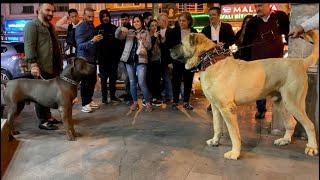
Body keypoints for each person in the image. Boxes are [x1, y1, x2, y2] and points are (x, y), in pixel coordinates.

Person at [242, 3, 289, 119]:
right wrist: (245, 63)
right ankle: (261, 109)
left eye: (260, 5)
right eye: (256, 7)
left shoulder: (279, 17)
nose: (258, 9)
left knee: (278, 87)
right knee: (260, 87)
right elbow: (246, 43)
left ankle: (281, 112)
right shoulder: (252, 22)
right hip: (258, 62)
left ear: (268, 5)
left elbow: (288, 33)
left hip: (276, 62)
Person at [24, 3, 63, 130]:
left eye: (52, 11)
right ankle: (43, 121)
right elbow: (29, 46)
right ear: (38, 10)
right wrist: (33, 64)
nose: (51, 13)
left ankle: (49, 117)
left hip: (53, 66)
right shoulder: (32, 25)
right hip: (41, 67)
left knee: (48, 94)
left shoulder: (50, 26)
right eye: (47, 10)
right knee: (40, 95)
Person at [201, 6, 236, 112]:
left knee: (225, 80)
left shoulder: (227, 27)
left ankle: (227, 101)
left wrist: (224, 43)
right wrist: (215, 44)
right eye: (210, 15)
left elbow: (232, 40)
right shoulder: (205, 29)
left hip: (224, 57)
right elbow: (203, 44)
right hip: (211, 59)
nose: (211, 17)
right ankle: (213, 103)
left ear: (219, 15)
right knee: (213, 81)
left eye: (213, 15)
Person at [115, 15, 153, 112]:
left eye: (138, 21)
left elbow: (149, 47)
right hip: (129, 61)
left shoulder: (146, 32)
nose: (136, 23)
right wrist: (120, 28)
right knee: (132, 82)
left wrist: (141, 39)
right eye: (134, 22)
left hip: (141, 60)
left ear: (142, 22)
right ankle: (135, 102)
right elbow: (118, 36)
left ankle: (148, 102)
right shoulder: (129, 32)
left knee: (141, 82)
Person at [166, 12, 198, 110]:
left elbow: (196, 46)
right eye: (180, 21)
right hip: (177, 60)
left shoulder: (193, 31)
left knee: (188, 82)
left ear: (189, 21)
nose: (181, 22)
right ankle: (175, 101)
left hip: (189, 61)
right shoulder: (173, 31)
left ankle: (186, 102)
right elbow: (168, 46)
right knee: (176, 81)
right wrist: (170, 62)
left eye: (183, 21)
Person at [75, 7, 103, 113]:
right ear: (84, 16)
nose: (91, 18)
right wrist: (92, 41)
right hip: (84, 59)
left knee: (92, 81)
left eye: (92, 16)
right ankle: (84, 104)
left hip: (91, 59)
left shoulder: (91, 26)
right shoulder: (81, 27)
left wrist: (97, 40)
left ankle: (89, 100)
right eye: (89, 16)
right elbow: (80, 46)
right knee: (86, 83)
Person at [96, 9, 121, 104]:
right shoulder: (97, 29)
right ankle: (104, 98)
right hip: (102, 60)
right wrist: (98, 58)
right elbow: (96, 45)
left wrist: (117, 58)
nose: (105, 18)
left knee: (113, 79)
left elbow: (118, 44)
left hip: (113, 59)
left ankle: (113, 96)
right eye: (103, 16)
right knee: (103, 79)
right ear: (101, 18)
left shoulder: (115, 28)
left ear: (109, 17)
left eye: (107, 16)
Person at [118, 13, 133, 104]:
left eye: (126, 19)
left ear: (129, 19)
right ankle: (128, 93)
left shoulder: (132, 29)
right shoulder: (119, 30)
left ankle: (130, 95)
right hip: (122, 57)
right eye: (122, 19)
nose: (124, 21)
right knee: (125, 77)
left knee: (129, 77)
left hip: (130, 57)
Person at [157, 13, 173, 104]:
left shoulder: (171, 31)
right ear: (158, 21)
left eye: (165, 20)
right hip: (156, 60)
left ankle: (169, 97)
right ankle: (158, 96)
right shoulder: (156, 31)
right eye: (162, 20)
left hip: (167, 60)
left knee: (167, 78)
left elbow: (171, 48)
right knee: (157, 79)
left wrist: (170, 61)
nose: (164, 22)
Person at [147, 19, 162, 106]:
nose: (154, 27)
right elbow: (149, 48)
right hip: (149, 60)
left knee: (157, 80)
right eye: (152, 25)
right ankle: (150, 97)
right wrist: (154, 37)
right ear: (149, 27)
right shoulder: (148, 35)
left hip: (157, 60)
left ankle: (156, 97)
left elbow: (161, 47)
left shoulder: (158, 35)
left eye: (156, 25)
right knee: (150, 80)